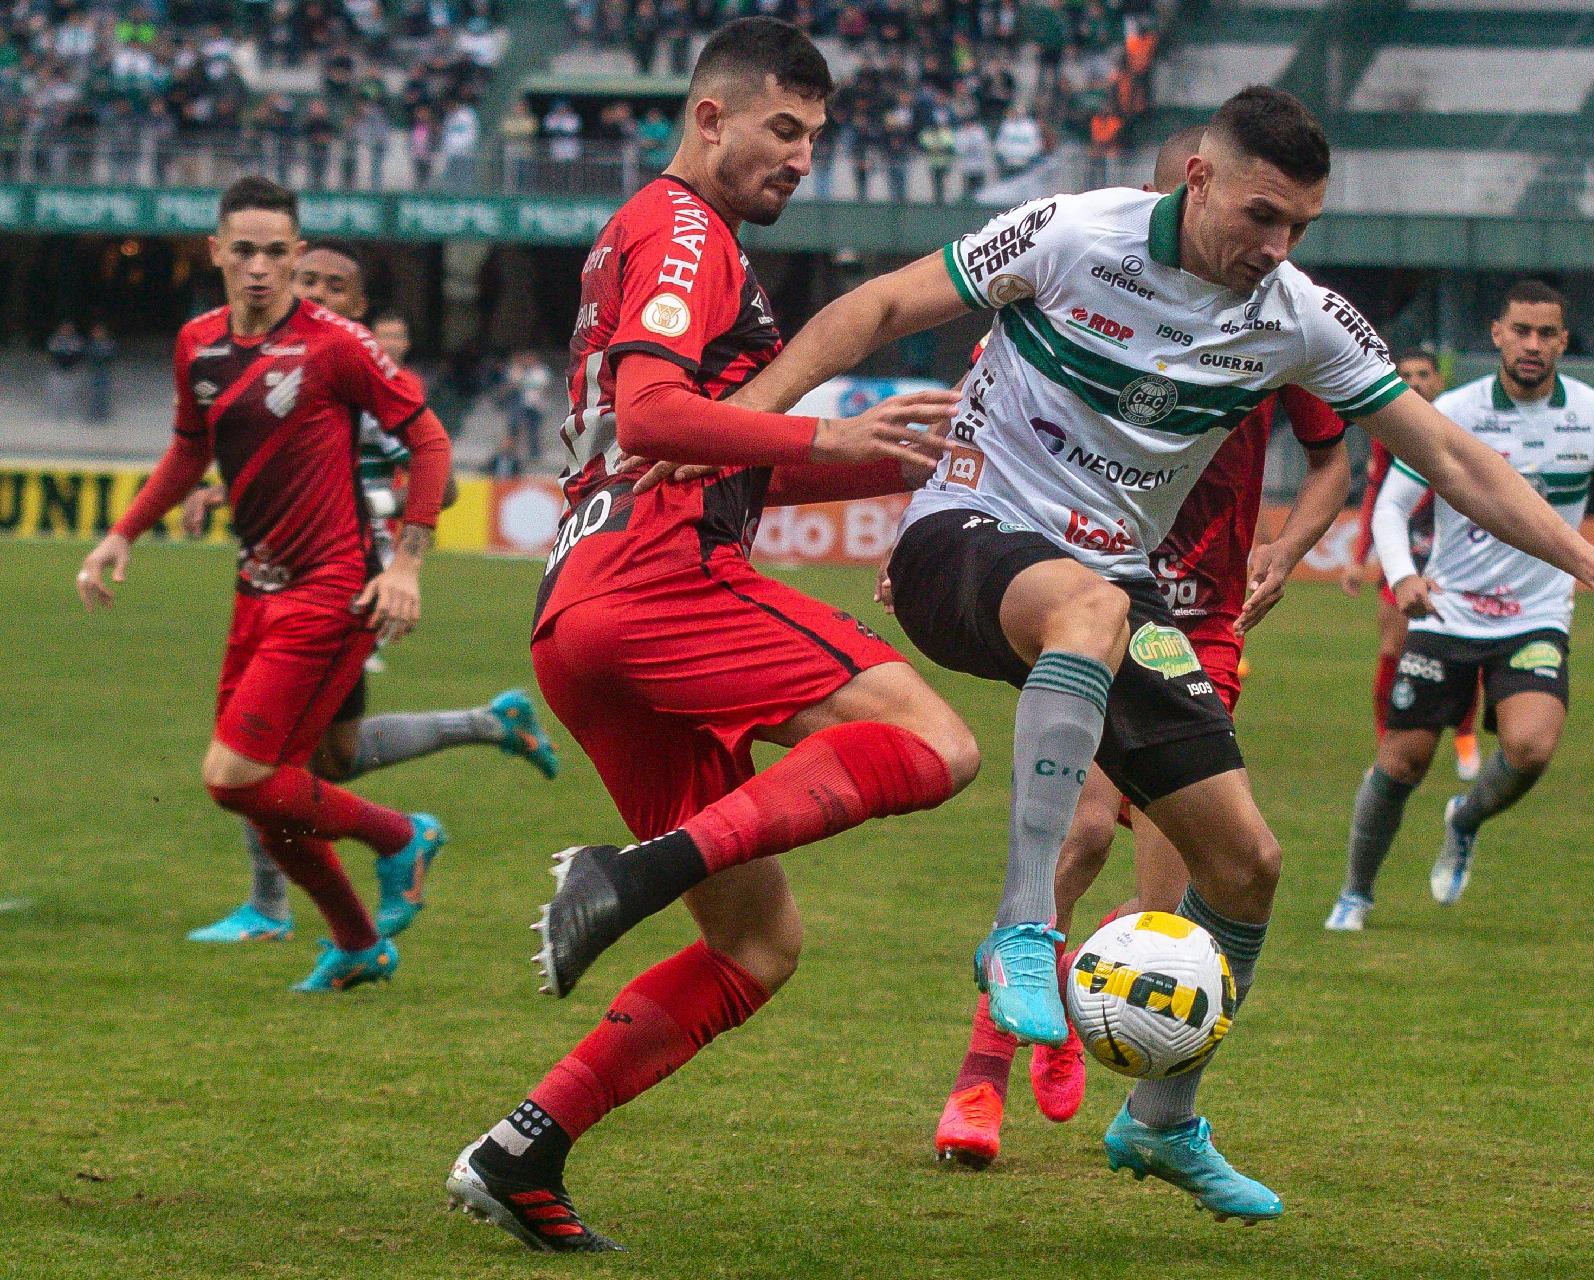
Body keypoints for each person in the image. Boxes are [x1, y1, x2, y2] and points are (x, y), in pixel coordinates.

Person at [687, 87, 1594, 1221]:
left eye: (1302, 229)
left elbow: (1450, 456)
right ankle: (1024, 926)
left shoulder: (1298, 315)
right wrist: (746, 425)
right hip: (963, 537)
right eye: (1263, 216)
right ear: (1198, 178)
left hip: (1114, 592)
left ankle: (1163, 1123)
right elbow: (881, 305)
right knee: (1086, 614)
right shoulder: (1074, 234)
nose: (1277, 247)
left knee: (1247, 864)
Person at [444, 19, 976, 1252]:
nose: (801, 157)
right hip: (657, 573)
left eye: (816, 139)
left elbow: (690, 441)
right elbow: (651, 415)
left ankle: (522, 1148)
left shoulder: (666, 238)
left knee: (757, 941)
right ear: (710, 117)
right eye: (782, 129)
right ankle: (625, 873)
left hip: (579, 613)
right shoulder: (686, 228)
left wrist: (876, 466)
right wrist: (824, 434)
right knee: (936, 744)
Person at [931, 126, 1355, 1168]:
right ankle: (979, 1079)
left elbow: (1337, 455)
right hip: (1089, 584)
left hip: (1199, 617)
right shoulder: (1091, 280)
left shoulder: (1273, 324)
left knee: (1185, 891)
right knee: (1077, 838)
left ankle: (1140, 1086)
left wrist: (1286, 549)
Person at [75, 176, 455, 993]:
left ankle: (401, 836)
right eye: (242, 250)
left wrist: (406, 566)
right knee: (261, 795)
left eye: (276, 252)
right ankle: (357, 943)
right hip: (256, 589)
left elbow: (429, 441)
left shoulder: (334, 346)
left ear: (294, 254)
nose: (259, 268)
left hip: (331, 592)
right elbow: (187, 449)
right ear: (214, 252)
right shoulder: (199, 344)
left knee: (232, 776)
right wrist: (121, 534)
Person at [180, 247, 563, 945]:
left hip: (345, 587)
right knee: (326, 755)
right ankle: (491, 724)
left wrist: (371, 511)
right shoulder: (292, 369)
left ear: (356, 309)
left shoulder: (366, 386)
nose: (317, 294)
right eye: (308, 282)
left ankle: (274, 905)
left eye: (336, 287)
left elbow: (438, 481)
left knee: (263, 756)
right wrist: (217, 490)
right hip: (295, 581)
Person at [1325, 280, 1594, 933]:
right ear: (1498, 334)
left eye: (1547, 333)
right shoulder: (1454, 413)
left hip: (1536, 614)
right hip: (1448, 612)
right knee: (1403, 761)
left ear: (1563, 340)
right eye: (1521, 331)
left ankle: (1464, 819)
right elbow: (1390, 503)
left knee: (1530, 747)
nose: (1533, 344)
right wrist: (1402, 574)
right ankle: (1356, 892)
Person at [1342, 348, 1481, 781]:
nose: (1416, 383)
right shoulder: (1387, 429)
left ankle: (1464, 737)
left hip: (1454, 553)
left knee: (1464, 651)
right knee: (1392, 647)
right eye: (1406, 375)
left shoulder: (1463, 422)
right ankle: (1386, 740)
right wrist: (1359, 555)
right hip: (1404, 550)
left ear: (1438, 381)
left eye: (1423, 375)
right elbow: (1376, 491)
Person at [46, 321, 85, 420]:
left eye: (69, 328)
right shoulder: (55, 340)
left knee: (72, 394)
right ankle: (56, 416)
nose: (66, 330)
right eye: (64, 328)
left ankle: (72, 416)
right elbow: (51, 356)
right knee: (57, 394)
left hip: (72, 372)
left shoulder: (77, 341)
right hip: (57, 371)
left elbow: (79, 357)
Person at [84, 323, 117, 423]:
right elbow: (88, 356)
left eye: (100, 332)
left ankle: (103, 416)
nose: (98, 334)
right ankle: (93, 415)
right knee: (93, 394)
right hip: (93, 372)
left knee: (104, 393)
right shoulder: (90, 344)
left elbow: (113, 356)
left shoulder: (109, 344)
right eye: (96, 332)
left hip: (104, 372)